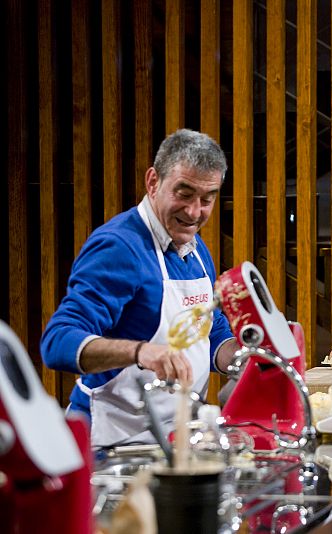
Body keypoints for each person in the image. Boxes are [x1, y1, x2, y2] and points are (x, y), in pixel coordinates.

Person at [41, 129, 240, 449]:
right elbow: (57, 341)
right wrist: (140, 352)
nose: (194, 212)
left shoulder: (194, 245)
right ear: (153, 182)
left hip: (174, 436)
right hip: (114, 442)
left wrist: (241, 357)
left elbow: (208, 327)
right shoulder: (120, 246)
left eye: (207, 199)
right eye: (184, 193)